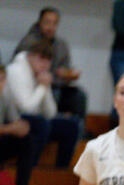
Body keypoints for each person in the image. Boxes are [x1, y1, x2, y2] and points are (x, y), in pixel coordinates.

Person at [6, 40, 82, 171]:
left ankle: (60, 172)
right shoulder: (16, 71)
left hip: (35, 118)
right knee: (41, 124)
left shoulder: (40, 74)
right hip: (14, 119)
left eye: (48, 61)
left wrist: (46, 88)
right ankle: (32, 170)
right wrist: (42, 87)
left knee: (71, 126)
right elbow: (26, 108)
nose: (44, 65)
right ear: (30, 56)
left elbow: (51, 113)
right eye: (41, 59)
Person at [15, 7, 87, 120]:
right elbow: (23, 70)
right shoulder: (29, 43)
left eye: (54, 23)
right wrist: (52, 76)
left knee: (79, 95)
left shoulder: (61, 45)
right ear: (40, 23)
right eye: (47, 22)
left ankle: (75, 126)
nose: (51, 27)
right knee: (54, 93)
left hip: (57, 84)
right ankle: (55, 121)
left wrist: (68, 74)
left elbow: (65, 70)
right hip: (35, 84)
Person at [0, 65, 37, 185]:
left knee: (27, 140)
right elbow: (11, 127)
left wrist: (22, 127)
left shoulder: (4, 98)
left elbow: (17, 122)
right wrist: (10, 128)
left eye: (2, 79)